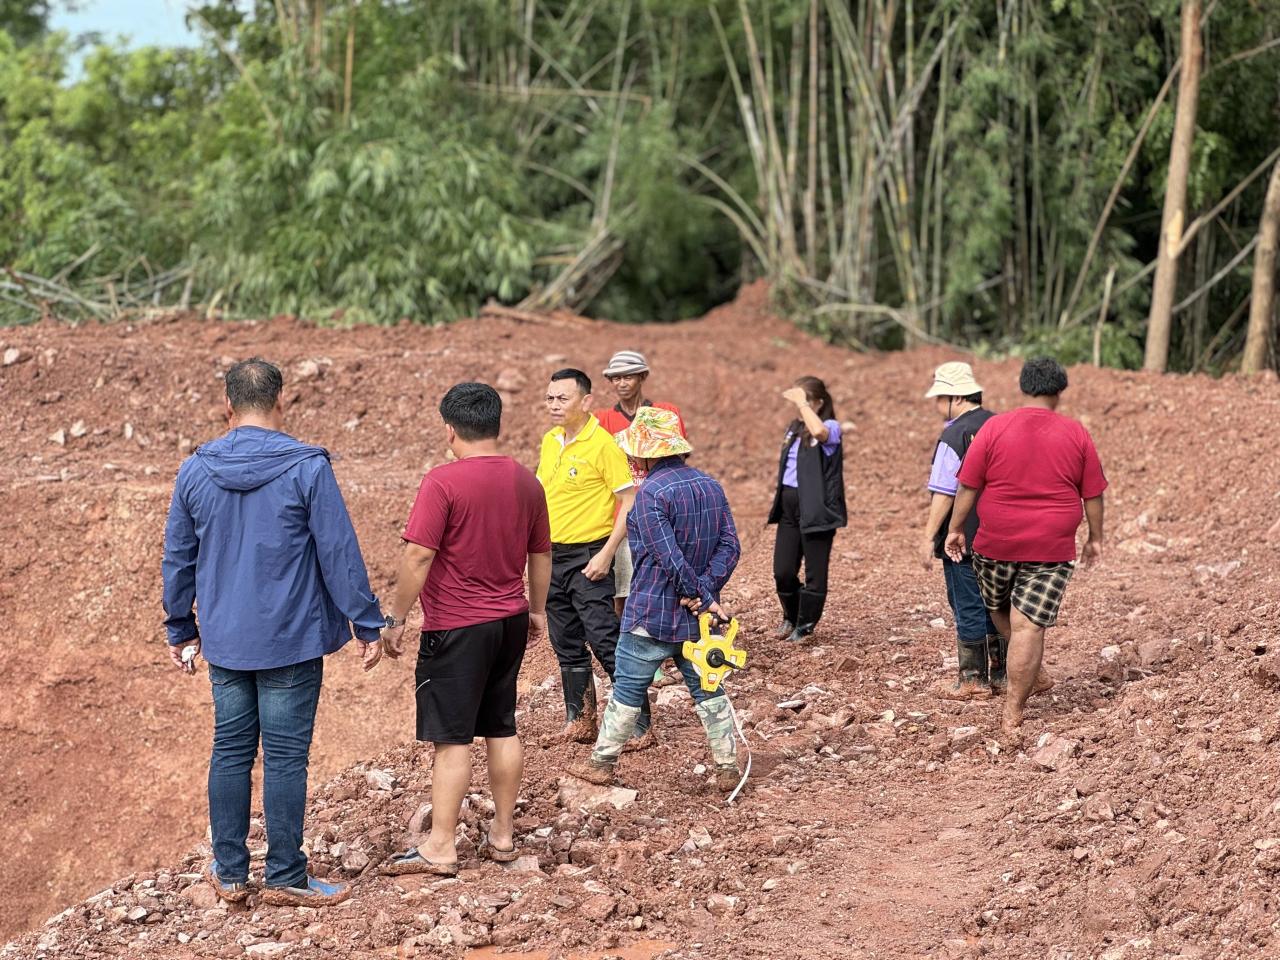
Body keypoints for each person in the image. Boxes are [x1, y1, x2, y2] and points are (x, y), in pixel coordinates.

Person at [162, 357, 384, 908]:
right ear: (281, 403)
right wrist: (365, 620)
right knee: (286, 758)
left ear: (227, 407)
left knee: (230, 751)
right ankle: (286, 874)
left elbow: (178, 558)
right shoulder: (307, 467)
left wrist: (179, 626)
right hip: (291, 637)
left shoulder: (195, 470)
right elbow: (338, 552)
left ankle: (231, 874)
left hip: (226, 640)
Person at [377, 382, 551, 876]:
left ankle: (441, 845)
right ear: (497, 425)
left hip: (456, 626)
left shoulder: (442, 482)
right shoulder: (526, 481)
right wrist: (535, 610)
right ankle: (502, 836)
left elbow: (419, 554)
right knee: (501, 725)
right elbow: (541, 554)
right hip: (509, 620)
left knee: (452, 739)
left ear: (449, 430)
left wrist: (397, 618)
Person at [570, 407, 743, 792]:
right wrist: (705, 594)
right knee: (708, 688)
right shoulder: (711, 486)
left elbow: (668, 555)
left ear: (646, 455)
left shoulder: (650, 493)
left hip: (652, 610)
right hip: (697, 618)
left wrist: (691, 592)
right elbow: (731, 547)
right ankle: (727, 767)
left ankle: (602, 763)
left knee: (628, 688)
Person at [945, 357, 1106, 736]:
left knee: (1005, 611)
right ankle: (1017, 700)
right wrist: (1096, 538)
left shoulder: (995, 427)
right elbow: (1093, 494)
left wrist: (955, 528)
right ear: (1059, 391)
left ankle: (1016, 702)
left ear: (1023, 387)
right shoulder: (1077, 433)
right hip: (1051, 544)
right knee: (1027, 626)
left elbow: (968, 484)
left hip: (995, 540)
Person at [537, 368, 642, 743]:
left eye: (562, 398)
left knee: (603, 637)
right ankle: (580, 719)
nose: (553, 405)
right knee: (564, 639)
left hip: (590, 555)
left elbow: (629, 501)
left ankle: (638, 723)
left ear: (585, 401)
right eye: (550, 398)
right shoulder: (550, 441)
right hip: (552, 556)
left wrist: (607, 554)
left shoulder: (603, 445)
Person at [919, 362, 1002, 699]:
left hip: (964, 536)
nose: (937, 406)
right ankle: (1005, 673)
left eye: (939, 398)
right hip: (1003, 534)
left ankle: (972, 679)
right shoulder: (1001, 424)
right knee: (999, 601)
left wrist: (928, 535)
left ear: (955, 397)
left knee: (967, 602)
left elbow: (945, 490)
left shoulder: (954, 434)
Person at [594, 349, 688, 621]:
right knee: (622, 591)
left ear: (642, 377)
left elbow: (677, 458)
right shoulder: (601, 420)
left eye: (628, 377)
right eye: (615, 378)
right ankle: (628, 650)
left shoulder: (665, 413)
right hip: (623, 514)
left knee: (666, 584)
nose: (621, 383)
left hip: (661, 509)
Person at [768, 377, 847, 642]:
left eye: (806, 402)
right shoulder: (795, 427)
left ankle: (806, 624)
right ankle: (791, 615)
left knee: (815, 573)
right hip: (789, 508)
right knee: (783, 570)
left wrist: (803, 405)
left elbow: (820, 433)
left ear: (819, 403)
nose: (799, 408)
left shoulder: (830, 427)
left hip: (818, 509)